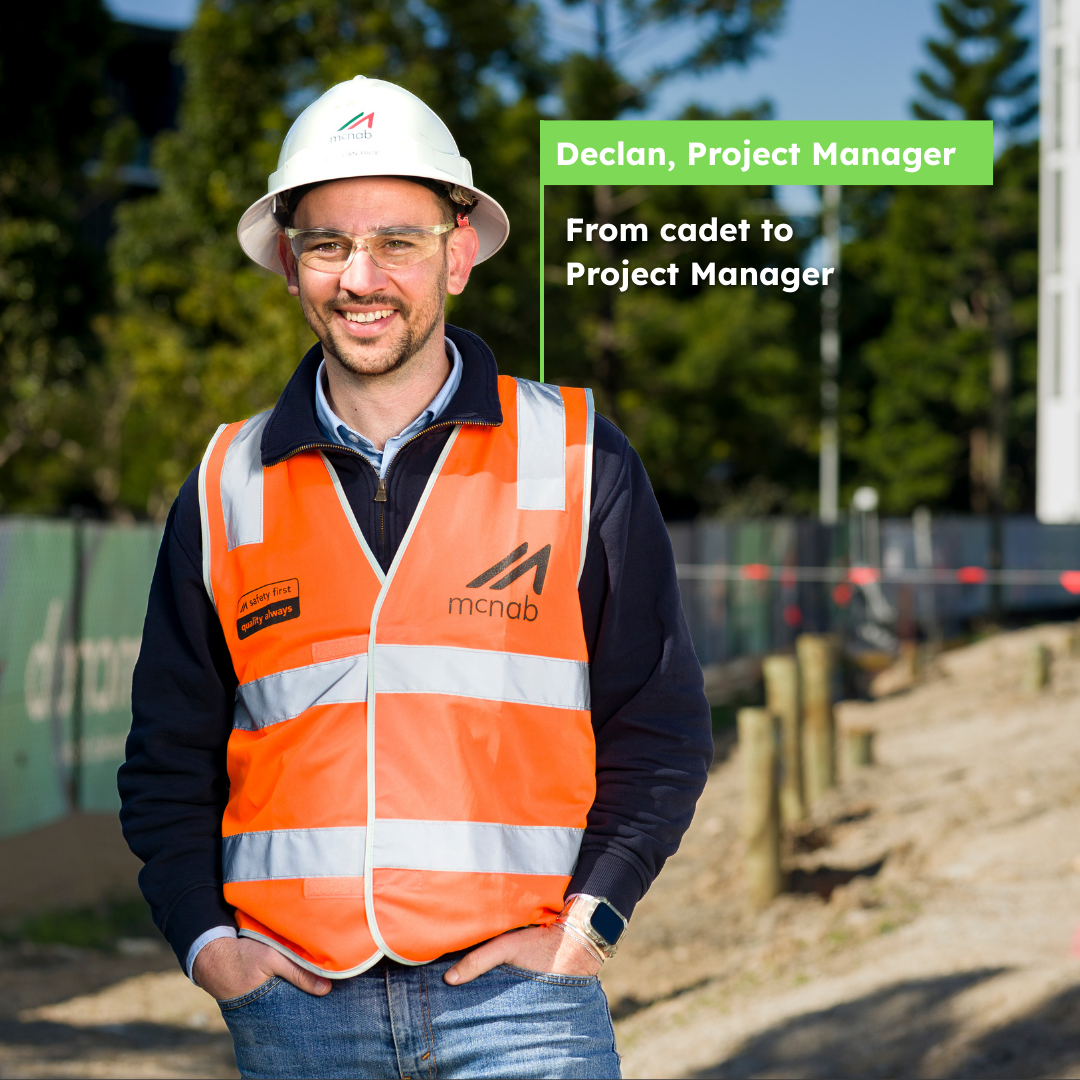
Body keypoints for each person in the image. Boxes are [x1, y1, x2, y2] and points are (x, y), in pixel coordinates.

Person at [118, 75, 711, 1080]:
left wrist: (591, 923)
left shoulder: (575, 457)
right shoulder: (224, 487)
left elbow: (658, 726)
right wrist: (208, 945)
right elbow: (169, 761)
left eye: (398, 240)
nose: (362, 276)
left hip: (525, 1013)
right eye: (327, 244)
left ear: (460, 253)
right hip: (294, 1014)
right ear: (291, 268)